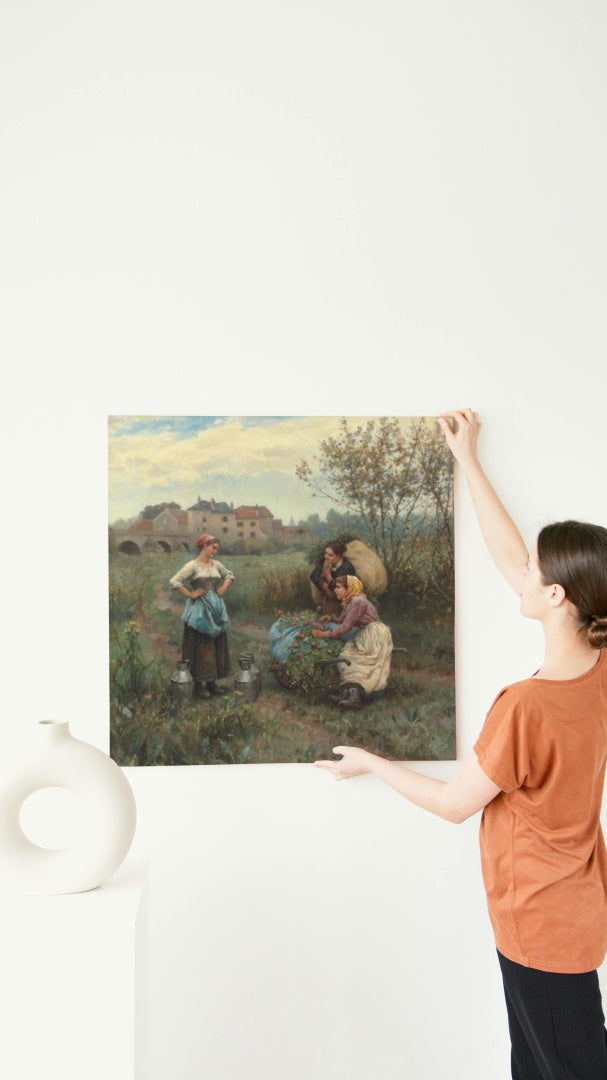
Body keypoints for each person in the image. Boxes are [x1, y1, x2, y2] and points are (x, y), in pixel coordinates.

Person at [315, 408, 607, 1080]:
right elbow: (512, 557)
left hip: (542, 926)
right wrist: (468, 460)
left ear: (557, 595)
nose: (520, 573)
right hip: (567, 912)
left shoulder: (527, 707)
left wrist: (371, 760)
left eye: (534, 573)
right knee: (537, 1064)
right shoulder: (595, 663)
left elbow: (453, 804)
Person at [311, 575, 393, 707]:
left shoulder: (358, 602)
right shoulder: (349, 602)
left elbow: (346, 627)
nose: (335, 590)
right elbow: (341, 620)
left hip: (375, 635)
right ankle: (349, 693)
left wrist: (323, 634)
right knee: (346, 657)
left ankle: (355, 695)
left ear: (349, 588)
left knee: (359, 662)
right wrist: (330, 618)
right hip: (365, 634)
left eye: (338, 587)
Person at [169, 534, 234, 698]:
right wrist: (191, 595)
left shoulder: (216, 564)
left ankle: (212, 683)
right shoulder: (193, 566)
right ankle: (199, 685)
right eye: (213, 548)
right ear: (204, 546)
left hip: (217, 608)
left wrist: (222, 589)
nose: (216, 551)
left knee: (216, 643)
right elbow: (175, 581)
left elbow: (229, 575)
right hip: (200, 610)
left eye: (217, 548)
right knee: (202, 645)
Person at [310, 540, 357, 616]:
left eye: (330, 555)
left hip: (343, 602)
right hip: (329, 601)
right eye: (325, 553)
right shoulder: (324, 563)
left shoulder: (347, 567)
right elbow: (314, 575)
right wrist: (325, 587)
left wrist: (328, 575)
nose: (326, 557)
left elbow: (341, 587)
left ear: (339, 556)